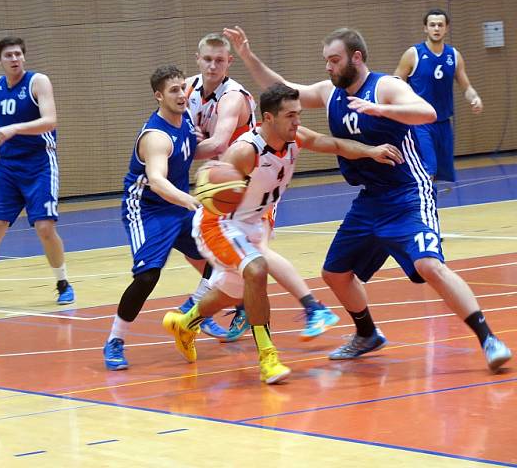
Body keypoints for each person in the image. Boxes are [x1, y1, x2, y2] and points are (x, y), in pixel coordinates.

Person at [224, 25, 511, 373]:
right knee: (335, 272)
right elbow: (283, 89)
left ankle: (488, 339)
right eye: (326, 61)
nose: (328, 67)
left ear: (356, 58)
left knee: (428, 265)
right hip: (370, 198)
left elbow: (427, 113)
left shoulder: (386, 86)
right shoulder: (330, 92)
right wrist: (248, 56)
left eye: (334, 60)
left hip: (408, 192)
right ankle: (367, 334)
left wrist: (381, 110)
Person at [164, 83, 404, 383]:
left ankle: (185, 324)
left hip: (250, 223)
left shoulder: (295, 138)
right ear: (268, 118)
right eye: (290, 116)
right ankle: (268, 357)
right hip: (219, 224)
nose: (297, 122)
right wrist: (208, 183)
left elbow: (336, 145)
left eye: (299, 114)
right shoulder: (245, 151)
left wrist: (371, 150)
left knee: (233, 290)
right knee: (257, 268)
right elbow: (213, 185)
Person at [186, 33, 339, 342]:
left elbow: (216, 142)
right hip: (225, 186)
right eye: (208, 59)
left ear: (229, 62)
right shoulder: (189, 89)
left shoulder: (233, 96)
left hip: (252, 178)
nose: (213, 66)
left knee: (256, 255)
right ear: (197, 59)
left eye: (220, 60)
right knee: (220, 262)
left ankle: (311, 308)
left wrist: (175, 149)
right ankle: (199, 314)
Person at [102, 65, 219, 371]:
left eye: (183, 88)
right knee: (147, 277)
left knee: (221, 257)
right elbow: (157, 180)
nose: (182, 95)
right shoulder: (155, 137)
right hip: (147, 208)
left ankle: (193, 309)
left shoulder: (185, 120)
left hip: (178, 204)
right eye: (174, 90)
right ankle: (115, 340)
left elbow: (190, 151)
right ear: (158, 96)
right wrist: (190, 201)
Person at [0, 36, 73, 312]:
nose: (15, 59)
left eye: (19, 54)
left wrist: (15, 129)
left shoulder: (37, 82)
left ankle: (63, 283)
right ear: (0, 60)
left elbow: (50, 120)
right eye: (9, 55)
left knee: (45, 228)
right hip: (8, 167)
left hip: (40, 164)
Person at [394, 9, 482, 182]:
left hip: (443, 124)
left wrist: (475, 98)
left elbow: (467, 87)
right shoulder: (413, 54)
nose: (436, 28)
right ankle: (420, 207)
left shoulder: (454, 56)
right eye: (432, 25)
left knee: (439, 175)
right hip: (420, 123)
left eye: (440, 25)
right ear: (425, 28)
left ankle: (429, 206)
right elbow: (396, 83)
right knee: (428, 169)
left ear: (446, 28)